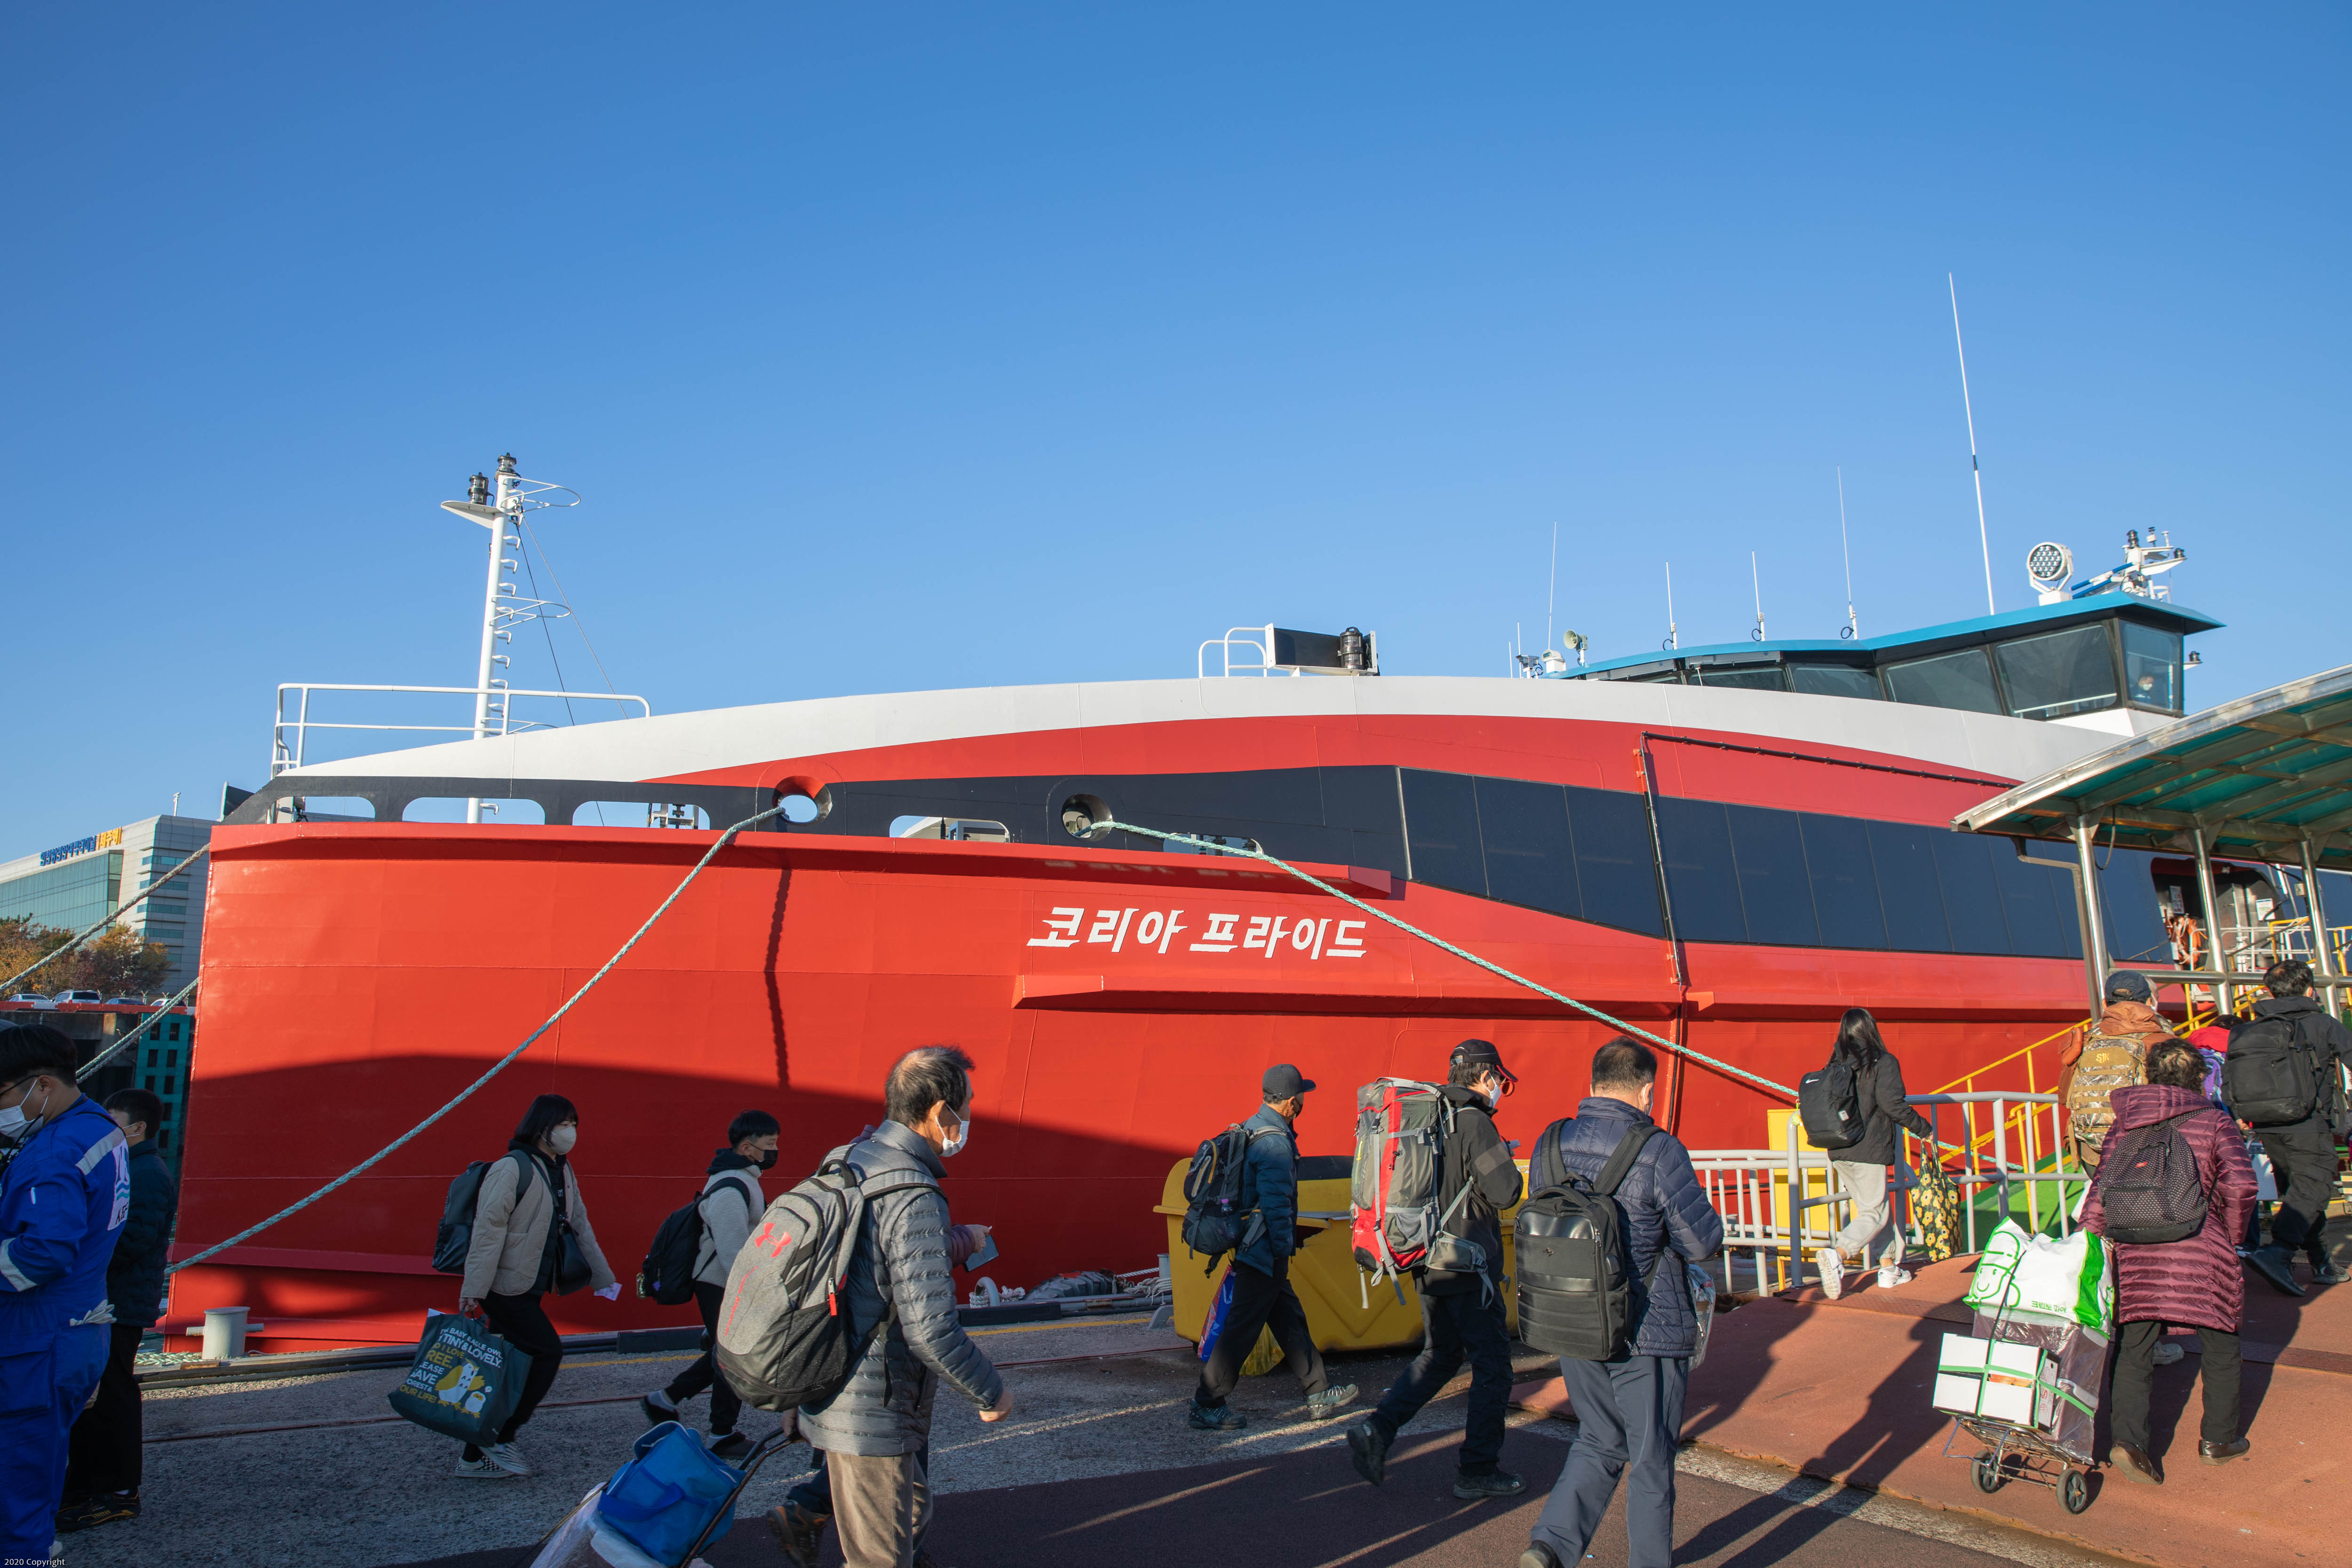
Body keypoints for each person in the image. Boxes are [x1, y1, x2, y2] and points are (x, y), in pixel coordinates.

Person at [787, 1046, 1011, 1568]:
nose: (969, 1117)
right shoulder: (913, 1191)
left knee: (911, 1513)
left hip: (833, 1380)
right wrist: (990, 1390)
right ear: (939, 1111)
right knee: (880, 1555)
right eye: (966, 1105)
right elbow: (930, 1328)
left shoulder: (847, 1160)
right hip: (874, 1403)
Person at [1520, 1039, 1723, 1568]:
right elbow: (1701, 1243)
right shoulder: (1659, 1150)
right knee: (1650, 1459)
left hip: (1573, 1320)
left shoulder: (1550, 1143)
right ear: (1647, 1092)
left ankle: (1550, 1547)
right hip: (1646, 1328)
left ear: (1592, 1086)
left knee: (1599, 1437)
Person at [1347, 1040, 1526, 1499]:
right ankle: (1478, 1469)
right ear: (1486, 1077)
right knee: (1493, 1366)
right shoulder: (1475, 1122)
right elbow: (1505, 1191)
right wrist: (1504, 1157)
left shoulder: (1433, 1117)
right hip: (1468, 1265)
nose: (1499, 1088)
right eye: (1499, 1081)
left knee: (1442, 1354)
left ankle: (1377, 1429)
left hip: (1427, 1259)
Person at [768, 1218, 996, 1568]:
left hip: (850, 1350)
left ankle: (812, 1507)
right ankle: (813, 1508)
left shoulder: (837, 1194)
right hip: (883, 1361)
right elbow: (906, 1257)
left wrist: (794, 1398)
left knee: (902, 1483)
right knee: (894, 1481)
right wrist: (966, 1239)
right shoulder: (899, 1190)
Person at [2082, 1038, 2258, 1481]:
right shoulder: (2215, 1120)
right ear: (2199, 1076)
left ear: (2151, 1076)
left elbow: (2101, 1188)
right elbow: (2240, 1185)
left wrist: (2089, 1242)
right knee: (2221, 1340)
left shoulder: (2125, 1123)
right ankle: (2218, 1440)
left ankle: (2129, 1442)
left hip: (2135, 1249)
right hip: (2202, 1243)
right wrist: (2231, 1237)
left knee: (2133, 1346)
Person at [0, 1024, 130, 1567]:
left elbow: (43, 1253)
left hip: (36, 1342)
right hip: (78, 1329)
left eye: (1, 1096)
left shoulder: (51, 1154)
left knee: (14, 1493)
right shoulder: (99, 1128)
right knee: (39, 1477)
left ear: (42, 1085)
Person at [455, 1093, 620, 1478]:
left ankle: (472, 1459)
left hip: (528, 1284)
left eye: (574, 1124)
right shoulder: (511, 1167)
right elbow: (488, 1230)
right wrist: (474, 1288)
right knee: (547, 1351)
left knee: (507, 1366)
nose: (571, 1132)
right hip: (503, 1287)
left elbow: (580, 1224)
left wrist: (603, 1279)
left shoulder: (561, 1169)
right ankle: (500, 1436)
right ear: (542, 1128)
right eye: (564, 1124)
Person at [1187, 1063, 1359, 1431]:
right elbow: (1277, 1203)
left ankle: (1318, 1390)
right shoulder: (1276, 1143)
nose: (1303, 1103)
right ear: (1291, 1102)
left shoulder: (1252, 1126)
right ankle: (1207, 1402)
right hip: (1263, 1250)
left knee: (1289, 1317)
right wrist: (1283, 1249)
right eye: (1302, 1097)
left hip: (1251, 1243)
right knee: (1241, 1329)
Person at [57, 1087, 180, 1533]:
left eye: (113, 1122)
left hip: (119, 1304)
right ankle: (85, 1486)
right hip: (108, 1300)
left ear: (138, 1127)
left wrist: (77, 1251)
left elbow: (133, 1240)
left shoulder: (146, 1173)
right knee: (92, 1397)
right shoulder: (131, 1166)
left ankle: (119, 1492)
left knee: (112, 1396)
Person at [642, 1108, 780, 1458]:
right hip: (721, 1283)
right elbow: (732, 1250)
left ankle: (665, 1399)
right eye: (770, 1144)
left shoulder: (742, 1178)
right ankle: (721, 1434)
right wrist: (754, 1291)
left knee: (725, 1352)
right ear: (748, 1148)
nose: (775, 1150)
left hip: (725, 1282)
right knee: (736, 1356)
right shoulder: (731, 1187)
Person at [2239, 959, 2352, 1293]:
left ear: (2270, 991)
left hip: (2267, 1122)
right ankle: (2278, 1251)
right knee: (2314, 1186)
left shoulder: (2254, 1026)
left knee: (2298, 1192)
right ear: (2309, 989)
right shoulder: (2322, 1023)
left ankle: (2321, 1262)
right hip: (2308, 1120)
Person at [1813, 1009, 1933, 1299]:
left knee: (1875, 1207)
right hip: (1868, 1149)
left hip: (1839, 1148)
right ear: (1871, 1028)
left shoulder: (1835, 1063)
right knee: (1875, 1213)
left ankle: (1889, 1268)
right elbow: (1893, 1104)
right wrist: (1924, 1129)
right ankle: (1838, 1254)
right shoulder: (1882, 1061)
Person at [2059, 970, 2169, 1170]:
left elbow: (2065, 1097)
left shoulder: (2083, 1041)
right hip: (2147, 1153)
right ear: (2149, 1002)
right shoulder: (2165, 1043)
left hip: (2093, 1153)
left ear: (2104, 1003)